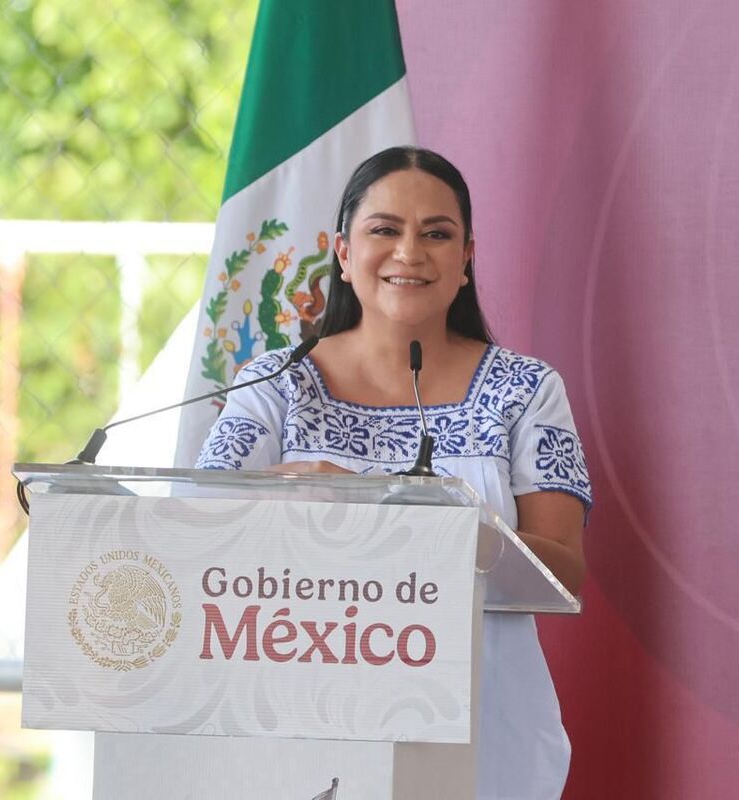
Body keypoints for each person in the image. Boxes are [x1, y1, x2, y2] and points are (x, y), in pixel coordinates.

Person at [197, 146, 591, 799]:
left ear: (466, 259)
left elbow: (564, 573)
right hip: (299, 725)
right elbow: (201, 526)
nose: (409, 252)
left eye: (436, 234)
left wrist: (403, 517)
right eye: (384, 229)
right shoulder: (275, 383)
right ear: (343, 253)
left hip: (480, 730)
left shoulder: (525, 389)